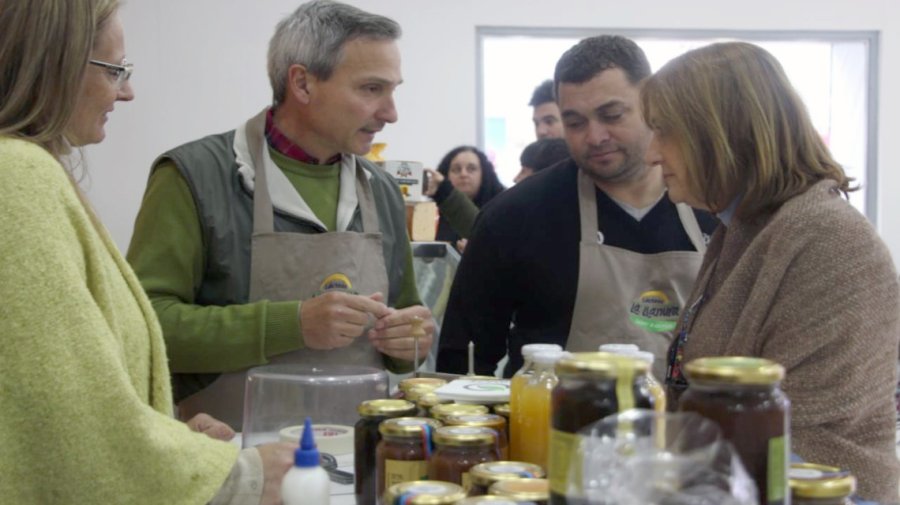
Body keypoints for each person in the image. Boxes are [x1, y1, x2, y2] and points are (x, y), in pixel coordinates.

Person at [0, 1, 296, 503]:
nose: (127, 90)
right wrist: (236, 478)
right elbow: (64, 416)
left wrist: (171, 434)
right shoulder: (17, 176)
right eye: (115, 69)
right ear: (54, 62)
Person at [126, 0, 433, 429]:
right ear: (302, 84)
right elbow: (142, 325)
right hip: (233, 459)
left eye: (393, 89)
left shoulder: (379, 189)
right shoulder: (194, 176)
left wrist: (409, 340)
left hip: (357, 456)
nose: (391, 113)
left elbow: (407, 319)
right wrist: (291, 324)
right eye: (371, 89)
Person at [642, 42, 900, 502]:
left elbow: (798, 434)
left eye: (664, 132)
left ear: (720, 132)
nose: (652, 154)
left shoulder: (828, 241)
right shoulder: (744, 227)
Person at [436, 35, 718, 378]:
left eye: (611, 115)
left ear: (651, 101)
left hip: (688, 427)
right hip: (550, 427)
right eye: (574, 122)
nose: (595, 136)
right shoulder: (514, 217)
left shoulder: (713, 207)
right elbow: (462, 362)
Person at [433, 145, 505, 250]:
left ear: (484, 174)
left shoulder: (500, 209)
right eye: (456, 169)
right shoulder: (433, 215)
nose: (463, 174)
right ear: (446, 175)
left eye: (471, 169)